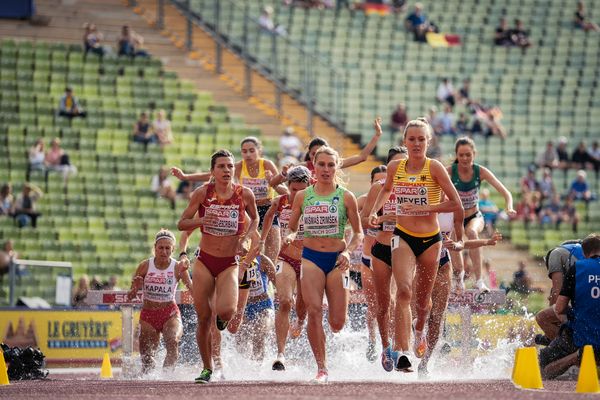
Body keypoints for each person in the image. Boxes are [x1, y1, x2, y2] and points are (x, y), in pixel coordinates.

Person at [367, 118, 463, 372]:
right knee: (404, 292)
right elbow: (386, 190)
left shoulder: (435, 168)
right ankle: (403, 352)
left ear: (428, 141)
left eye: (422, 139)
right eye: (412, 139)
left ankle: (420, 328)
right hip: (403, 235)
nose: (417, 143)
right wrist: (375, 211)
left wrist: (425, 207)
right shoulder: (396, 167)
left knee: (423, 303)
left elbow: (456, 204)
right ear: (404, 141)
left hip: (431, 240)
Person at [177, 149, 259, 384]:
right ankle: (206, 368)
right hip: (204, 261)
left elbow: (255, 219)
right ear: (212, 171)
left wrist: (244, 239)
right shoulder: (202, 193)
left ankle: (221, 321)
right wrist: (201, 220)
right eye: (221, 166)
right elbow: (181, 223)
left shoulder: (245, 194)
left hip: (229, 263)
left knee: (227, 312)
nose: (226, 170)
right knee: (204, 318)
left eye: (230, 166)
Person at [283, 146, 363, 383]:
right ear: (314, 167)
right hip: (311, 258)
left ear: (337, 167)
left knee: (337, 323)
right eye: (322, 165)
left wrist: (348, 252)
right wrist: (289, 235)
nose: (326, 169)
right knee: (314, 311)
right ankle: (322, 367)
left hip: (337, 261)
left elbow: (358, 233)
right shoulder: (303, 195)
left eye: (331, 165)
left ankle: (328, 353)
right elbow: (292, 225)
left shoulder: (346, 196)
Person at [418, 209, 502, 377]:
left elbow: (460, 243)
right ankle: (411, 347)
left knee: (436, 319)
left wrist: (486, 242)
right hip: (418, 264)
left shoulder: (452, 210)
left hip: (442, 264)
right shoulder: (421, 205)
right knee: (419, 315)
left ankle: (424, 362)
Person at [359, 145, 408, 372]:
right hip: (381, 248)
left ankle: (401, 349)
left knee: (403, 297)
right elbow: (365, 220)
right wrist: (379, 220)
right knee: (382, 304)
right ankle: (386, 346)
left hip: (406, 248)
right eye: (397, 163)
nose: (402, 167)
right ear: (390, 166)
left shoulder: (415, 187)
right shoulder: (378, 188)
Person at [448, 137, 516, 293]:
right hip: (456, 218)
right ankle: (459, 278)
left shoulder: (480, 171)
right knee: (453, 239)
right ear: (456, 155)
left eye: (468, 155)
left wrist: (509, 206)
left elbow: (505, 192)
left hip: (474, 215)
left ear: (474, 154)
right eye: (461, 155)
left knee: (472, 233)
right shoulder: (450, 171)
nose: (465, 158)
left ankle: (479, 281)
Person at [261, 166, 311, 371]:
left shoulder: (316, 201)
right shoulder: (280, 201)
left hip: (309, 259)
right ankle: (280, 354)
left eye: (302, 190)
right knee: (284, 301)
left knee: (302, 306)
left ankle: (300, 320)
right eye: (293, 190)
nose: (297, 194)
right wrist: (261, 240)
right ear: (288, 188)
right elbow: (267, 216)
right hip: (286, 258)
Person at [127, 229, 192, 373]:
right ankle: (150, 380)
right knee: (147, 358)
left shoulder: (178, 267)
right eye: (160, 248)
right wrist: (135, 289)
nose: (164, 251)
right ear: (154, 248)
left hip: (170, 313)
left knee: (172, 342)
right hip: (148, 315)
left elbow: (193, 290)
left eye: (167, 248)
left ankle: (166, 378)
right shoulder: (145, 266)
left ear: (173, 249)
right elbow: (130, 296)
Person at [539, 233, 600, 380]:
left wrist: (565, 325)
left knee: (543, 367)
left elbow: (558, 306)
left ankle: (575, 357)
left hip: (584, 334)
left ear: (584, 253)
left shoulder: (574, 266)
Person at [357, 164, 389, 363]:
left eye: (385, 180)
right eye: (378, 181)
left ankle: (391, 343)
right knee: (373, 305)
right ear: (371, 183)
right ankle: (372, 340)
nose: (382, 184)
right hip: (368, 258)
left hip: (386, 257)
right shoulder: (362, 200)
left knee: (389, 302)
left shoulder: (393, 201)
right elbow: (355, 223)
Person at [535, 239, 584, 345]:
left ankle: (565, 347)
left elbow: (556, 294)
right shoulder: (579, 255)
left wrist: (549, 333)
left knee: (543, 317)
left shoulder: (555, 253)